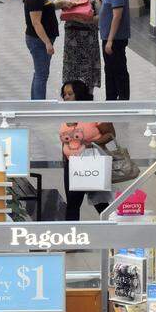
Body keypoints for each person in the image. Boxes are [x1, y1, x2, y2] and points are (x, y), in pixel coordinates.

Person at [59, 79, 114, 220]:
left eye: (70, 94)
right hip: (71, 165)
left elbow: (110, 134)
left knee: (100, 203)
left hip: (91, 162)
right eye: (64, 94)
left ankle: (113, 228)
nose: (66, 97)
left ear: (79, 95)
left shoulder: (94, 112)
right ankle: (72, 235)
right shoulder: (65, 114)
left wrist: (91, 143)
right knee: (72, 203)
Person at [55, 0, 101, 93]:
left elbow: (101, 17)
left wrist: (88, 20)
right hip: (72, 38)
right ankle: (70, 95)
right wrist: (64, 2)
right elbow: (54, 5)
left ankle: (87, 96)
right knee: (71, 70)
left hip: (89, 39)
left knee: (88, 71)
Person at [23, 0, 58, 100]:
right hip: (38, 41)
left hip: (39, 40)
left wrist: (60, 4)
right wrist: (47, 43)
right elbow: (36, 23)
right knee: (42, 74)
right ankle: (39, 104)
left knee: (39, 73)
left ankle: (35, 103)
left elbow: (46, 9)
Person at [99, 0, 131, 101]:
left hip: (115, 40)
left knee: (118, 71)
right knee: (110, 70)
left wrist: (110, 41)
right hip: (110, 38)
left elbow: (117, 16)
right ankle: (111, 99)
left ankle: (122, 100)